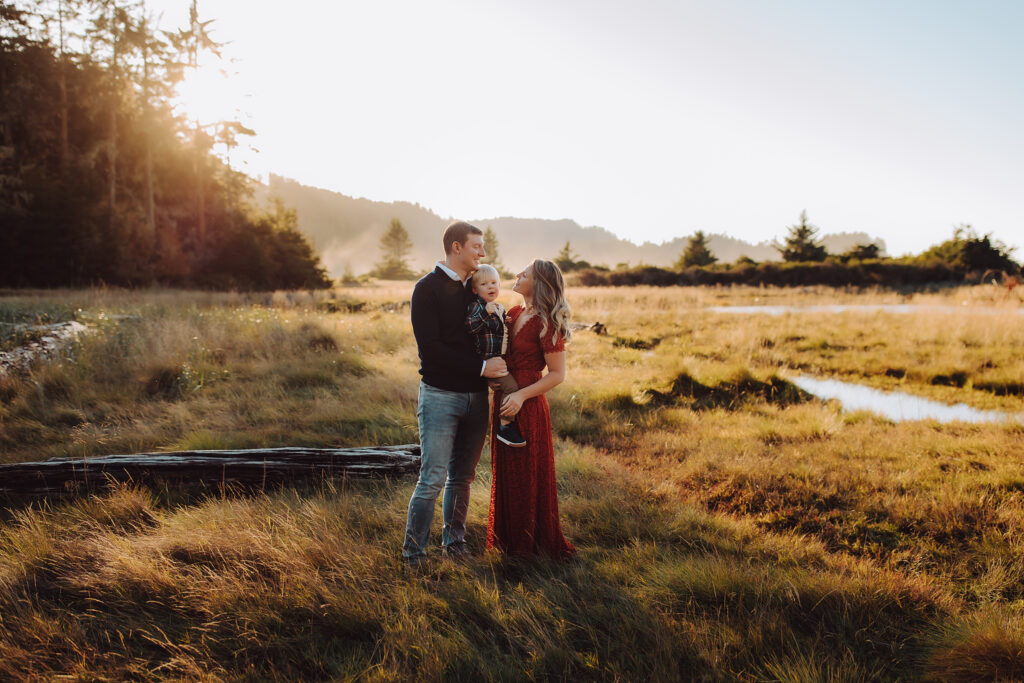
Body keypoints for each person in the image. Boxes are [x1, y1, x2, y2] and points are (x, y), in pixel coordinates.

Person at [403, 221, 509, 566]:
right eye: (477, 246)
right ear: (456, 247)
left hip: (477, 398)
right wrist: (481, 368)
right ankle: (414, 555)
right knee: (432, 478)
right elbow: (431, 349)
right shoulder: (426, 289)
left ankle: (455, 545)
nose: (483, 252)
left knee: (463, 477)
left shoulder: (476, 288)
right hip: (440, 396)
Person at [486, 259, 576, 559]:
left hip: (527, 403)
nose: (517, 275)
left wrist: (521, 397)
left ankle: (530, 546)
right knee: (507, 471)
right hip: (504, 399)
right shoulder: (513, 313)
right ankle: (508, 543)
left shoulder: (547, 322)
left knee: (526, 472)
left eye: (524, 274)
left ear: (538, 283)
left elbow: (557, 374)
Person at [466, 264, 527, 448]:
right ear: (475, 290)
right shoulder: (476, 307)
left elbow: (499, 331)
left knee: (505, 386)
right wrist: (485, 313)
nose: (490, 287)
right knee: (512, 387)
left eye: (494, 283)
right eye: (484, 284)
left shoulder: (498, 307)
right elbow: (470, 327)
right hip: (485, 360)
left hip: (497, 360)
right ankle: (505, 425)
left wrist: (504, 320)